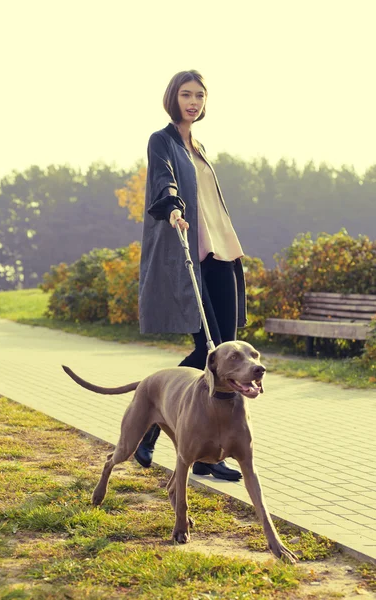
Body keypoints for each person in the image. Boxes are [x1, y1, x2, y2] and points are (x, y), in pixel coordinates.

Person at [136, 70, 247, 481]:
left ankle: (203, 454)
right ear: (173, 97)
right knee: (210, 350)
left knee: (225, 350)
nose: (194, 102)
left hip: (222, 253)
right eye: (186, 94)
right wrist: (173, 207)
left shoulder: (199, 147)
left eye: (200, 95)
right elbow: (164, 178)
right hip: (191, 252)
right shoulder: (162, 140)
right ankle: (152, 420)